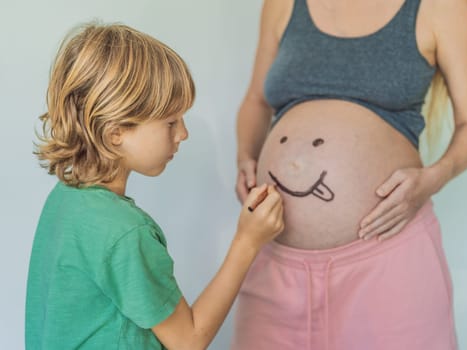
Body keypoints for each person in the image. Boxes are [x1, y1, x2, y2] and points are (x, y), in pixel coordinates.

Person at [233, 0, 467, 349]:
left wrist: (434, 177)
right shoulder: (282, 4)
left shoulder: (442, 7)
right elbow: (257, 101)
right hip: (274, 255)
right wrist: (246, 156)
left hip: (387, 258)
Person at [25, 22, 284, 350]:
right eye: (170, 122)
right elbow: (189, 340)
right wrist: (247, 241)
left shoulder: (64, 199)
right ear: (115, 131)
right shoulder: (124, 232)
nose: (183, 134)